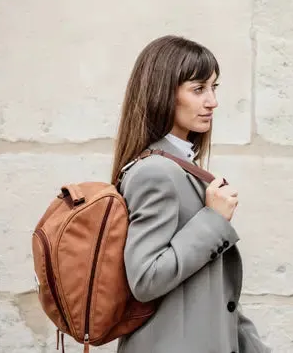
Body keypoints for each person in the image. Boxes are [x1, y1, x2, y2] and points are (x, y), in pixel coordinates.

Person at [109, 35, 271, 353]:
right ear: (162, 94)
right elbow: (145, 279)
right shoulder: (155, 173)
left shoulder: (179, 168)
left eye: (214, 88)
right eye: (198, 89)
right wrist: (212, 220)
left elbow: (214, 295)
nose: (212, 101)